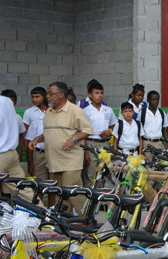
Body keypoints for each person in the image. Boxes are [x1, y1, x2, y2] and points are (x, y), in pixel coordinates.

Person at [29, 81, 93, 215]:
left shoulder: (75, 110)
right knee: (59, 195)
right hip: (53, 161)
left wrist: (73, 139)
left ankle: (87, 219)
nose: (48, 96)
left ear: (61, 95)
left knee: (73, 193)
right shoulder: (49, 112)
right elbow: (49, 132)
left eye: (51, 94)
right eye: (48, 93)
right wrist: (37, 139)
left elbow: (87, 130)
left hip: (70, 161)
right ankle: (65, 223)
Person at [82, 80, 117, 188]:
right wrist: (85, 151)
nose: (100, 95)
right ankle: (89, 202)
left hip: (105, 145)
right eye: (96, 93)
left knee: (104, 173)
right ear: (90, 95)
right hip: (91, 143)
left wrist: (109, 131)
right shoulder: (85, 111)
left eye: (101, 93)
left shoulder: (108, 110)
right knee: (90, 173)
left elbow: (114, 125)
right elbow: (81, 131)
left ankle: (102, 202)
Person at [140, 91, 168, 160]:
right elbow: (139, 131)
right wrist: (140, 148)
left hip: (159, 143)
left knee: (159, 166)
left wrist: (167, 143)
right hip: (147, 143)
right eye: (153, 100)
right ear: (148, 100)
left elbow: (164, 129)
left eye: (157, 100)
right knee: (148, 166)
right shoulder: (142, 113)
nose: (155, 102)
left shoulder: (162, 113)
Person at [1, 90, 26, 161]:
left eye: (12, 99)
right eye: (7, 99)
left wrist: (20, 152)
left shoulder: (17, 117)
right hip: (1, 152)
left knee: (18, 172)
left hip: (12, 152)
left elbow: (21, 134)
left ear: (15, 102)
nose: (10, 102)